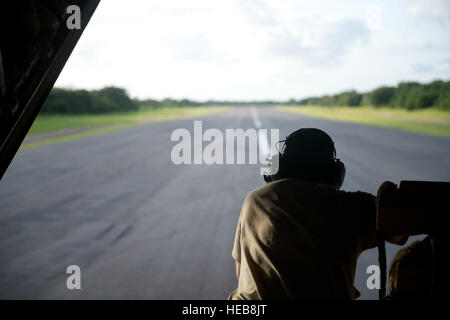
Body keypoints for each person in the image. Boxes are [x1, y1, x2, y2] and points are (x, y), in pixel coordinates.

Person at [228, 128, 406, 300]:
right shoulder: (353, 205)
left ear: (279, 166)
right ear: (335, 172)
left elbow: (240, 271)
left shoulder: (255, 200)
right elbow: (401, 230)